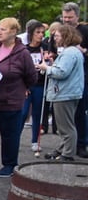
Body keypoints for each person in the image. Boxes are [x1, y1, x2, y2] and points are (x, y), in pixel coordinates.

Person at [0, 17, 37, 178]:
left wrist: (22, 88)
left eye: (3, 29)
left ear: (13, 31)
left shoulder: (22, 53)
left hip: (10, 101)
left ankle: (10, 164)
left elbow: (31, 76)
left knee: (9, 134)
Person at [37, 25, 85, 161]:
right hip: (68, 92)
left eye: (57, 36)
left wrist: (46, 68)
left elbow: (62, 72)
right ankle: (62, 149)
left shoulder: (69, 53)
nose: (54, 39)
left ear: (65, 36)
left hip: (64, 93)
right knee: (67, 124)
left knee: (66, 126)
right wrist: (53, 65)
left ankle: (67, 154)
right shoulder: (73, 52)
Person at [59, 2, 88, 158]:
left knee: (80, 112)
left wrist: (84, 50)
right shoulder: (61, 30)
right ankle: (66, 145)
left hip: (82, 77)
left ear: (77, 16)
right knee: (65, 116)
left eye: (70, 17)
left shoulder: (85, 30)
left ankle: (82, 144)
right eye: (65, 17)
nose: (67, 20)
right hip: (63, 78)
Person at [19, 20, 47, 154]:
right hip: (27, 86)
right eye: (38, 32)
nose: (41, 35)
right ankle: (16, 138)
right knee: (23, 113)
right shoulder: (25, 49)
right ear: (31, 34)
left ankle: (35, 141)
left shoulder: (45, 48)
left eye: (42, 32)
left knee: (37, 113)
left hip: (40, 84)